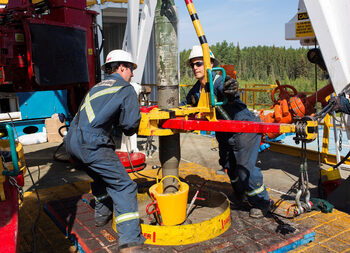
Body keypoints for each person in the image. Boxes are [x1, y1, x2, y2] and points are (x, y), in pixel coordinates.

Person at [65, 49, 146, 252]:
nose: (132, 74)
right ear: (121, 67)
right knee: (124, 187)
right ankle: (130, 242)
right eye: (130, 69)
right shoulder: (125, 88)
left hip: (72, 143)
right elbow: (129, 126)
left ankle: (101, 217)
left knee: (101, 178)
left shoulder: (97, 87)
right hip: (92, 145)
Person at [181, 45, 272, 218]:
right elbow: (187, 105)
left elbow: (229, 88)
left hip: (243, 128)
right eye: (193, 65)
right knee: (228, 165)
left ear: (210, 63)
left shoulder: (218, 80)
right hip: (224, 130)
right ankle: (240, 193)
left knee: (245, 169)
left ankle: (262, 202)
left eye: (199, 63)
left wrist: (231, 91)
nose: (195, 68)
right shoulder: (196, 90)